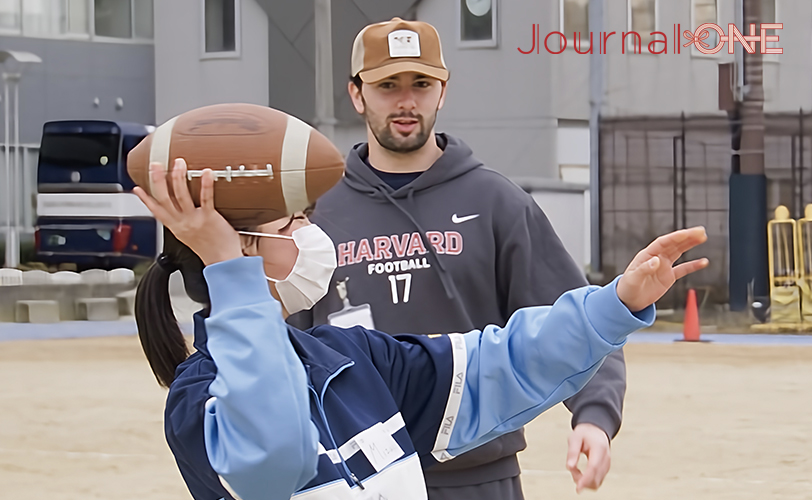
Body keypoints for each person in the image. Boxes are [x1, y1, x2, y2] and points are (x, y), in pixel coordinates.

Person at [133, 159, 708, 500]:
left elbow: (496, 366)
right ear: (246, 257)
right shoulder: (200, 402)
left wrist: (615, 303)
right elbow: (274, 458)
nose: (314, 234)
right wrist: (233, 280)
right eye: (296, 224)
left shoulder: (351, 358)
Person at [286, 17, 626, 498]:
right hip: (357, 475)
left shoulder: (497, 202)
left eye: (421, 84)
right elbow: (287, 344)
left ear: (442, 91)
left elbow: (579, 319)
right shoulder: (316, 210)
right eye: (388, 85)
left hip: (478, 475)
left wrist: (594, 415)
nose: (406, 101)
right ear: (357, 94)